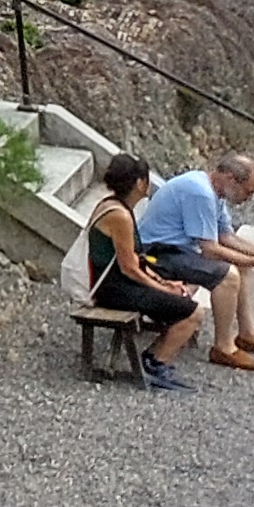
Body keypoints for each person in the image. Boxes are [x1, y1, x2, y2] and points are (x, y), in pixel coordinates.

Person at [139, 154, 254, 364]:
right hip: (156, 255)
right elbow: (211, 250)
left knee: (241, 264)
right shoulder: (200, 193)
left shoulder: (215, 192)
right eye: (248, 191)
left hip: (177, 251)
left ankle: (249, 334)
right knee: (227, 276)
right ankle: (224, 347)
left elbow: (226, 237)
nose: (248, 198)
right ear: (231, 179)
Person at [84, 159, 206, 392]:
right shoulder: (119, 216)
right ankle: (156, 362)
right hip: (113, 290)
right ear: (140, 183)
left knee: (182, 292)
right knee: (193, 313)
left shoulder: (116, 206)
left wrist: (165, 282)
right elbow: (129, 267)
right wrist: (163, 289)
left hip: (120, 283)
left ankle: (156, 357)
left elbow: (136, 259)